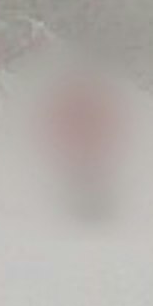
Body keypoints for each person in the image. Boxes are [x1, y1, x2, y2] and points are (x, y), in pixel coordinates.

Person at [44, 69, 125, 222]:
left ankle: (92, 211)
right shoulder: (94, 101)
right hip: (85, 147)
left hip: (88, 147)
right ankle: (85, 211)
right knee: (85, 178)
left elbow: (108, 121)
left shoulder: (81, 101)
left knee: (89, 177)